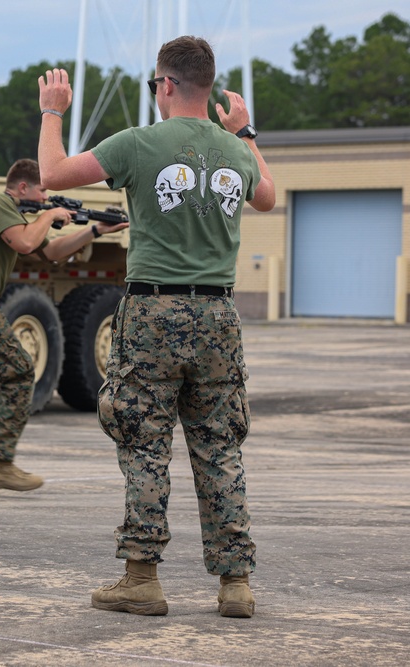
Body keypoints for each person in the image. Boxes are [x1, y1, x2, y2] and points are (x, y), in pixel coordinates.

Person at [37, 36, 275, 618]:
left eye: (155, 86)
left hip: (152, 312)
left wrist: (52, 111)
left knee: (145, 443)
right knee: (219, 446)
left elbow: (52, 174)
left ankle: (142, 577)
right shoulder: (236, 151)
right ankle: (235, 582)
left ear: (166, 85)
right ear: (209, 87)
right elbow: (267, 197)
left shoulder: (139, 144)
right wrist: (243, 131)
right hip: (218, 315)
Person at [0, 159, 128, 495]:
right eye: (43, 190)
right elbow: (25, 244)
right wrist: (49, 215)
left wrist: (93, 230)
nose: (46, 196)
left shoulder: (16, 218)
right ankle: (1, 465)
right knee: (20, 371)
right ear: (22, 188)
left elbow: (49, 252)